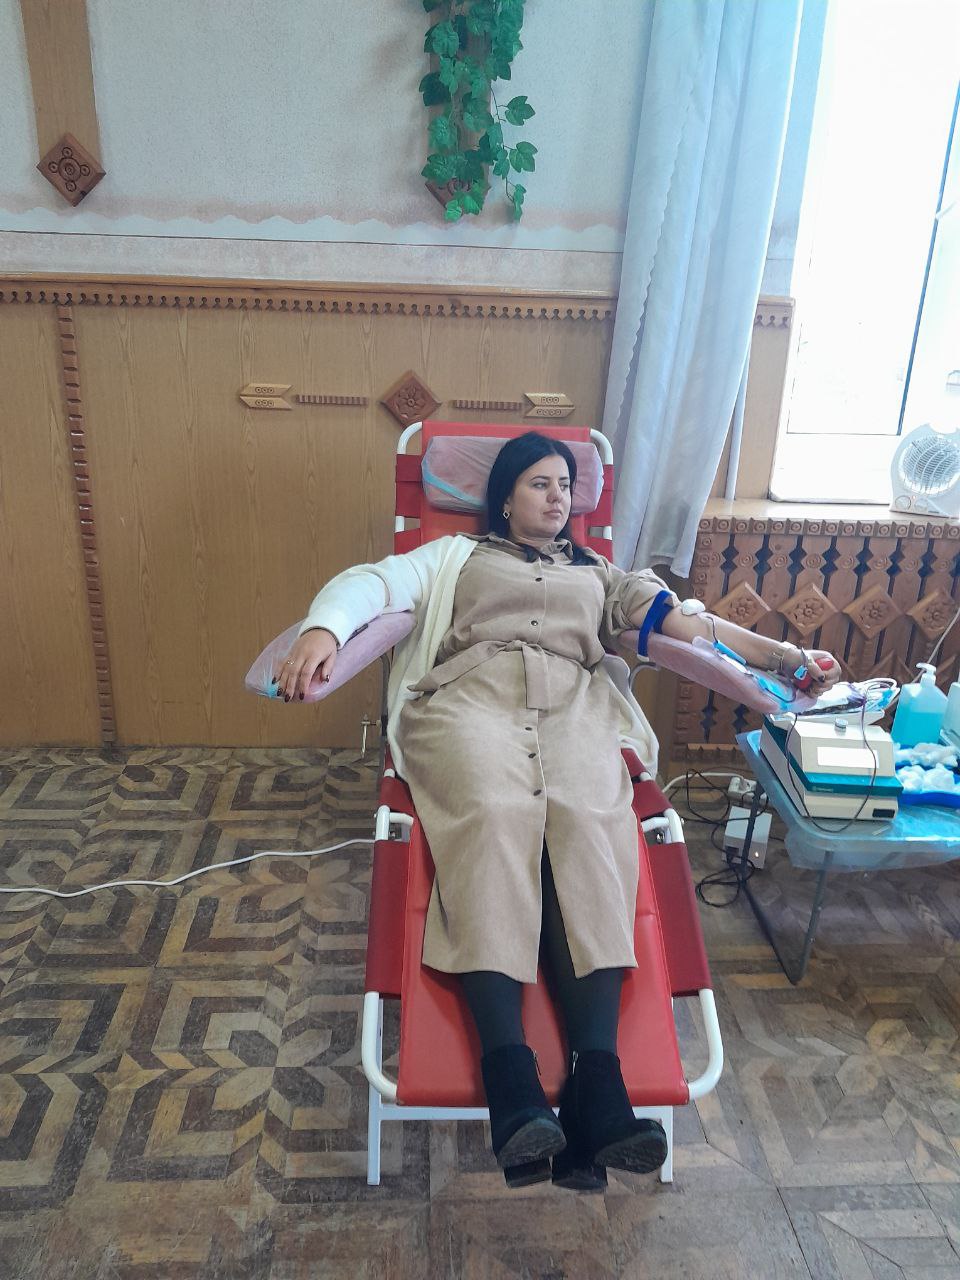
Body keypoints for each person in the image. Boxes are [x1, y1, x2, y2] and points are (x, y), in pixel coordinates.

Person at [274, 432, 840, 1192]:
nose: (557, 497)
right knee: (494, 814)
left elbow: (690, 625)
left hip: (575, 709)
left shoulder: (601, 574)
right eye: (539, 483)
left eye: (566, 485)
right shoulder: (454, 557)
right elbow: (372, 584)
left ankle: (598, 1086)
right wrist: (324, 629)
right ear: (505, 497)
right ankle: (510, 1077)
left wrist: (785, 659)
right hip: (467, 703)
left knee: (589, 824)